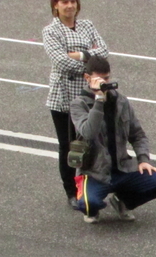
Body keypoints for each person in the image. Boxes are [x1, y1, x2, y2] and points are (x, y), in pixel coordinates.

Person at [69, 55, 156, 223]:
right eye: (100, 79)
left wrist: (143, 159)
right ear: (87, 78)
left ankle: (122, 202)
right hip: (94, 173)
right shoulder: (78, 104)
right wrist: (99, 100)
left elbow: (138, 134)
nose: (105, 82)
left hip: (122, 169)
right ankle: (92, 209)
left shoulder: (121, 101)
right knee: (87, 203)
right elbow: (88, 132)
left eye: (107, 78)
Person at [42, 0, 108, 208]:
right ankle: (71, 190)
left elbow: (104, 52)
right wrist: (90, 62)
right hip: (64, 97)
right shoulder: (51, 31)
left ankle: (94, 185)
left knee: (95, 142)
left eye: (72, 2)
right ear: (56, 6)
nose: (69, 6)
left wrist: (80, 55)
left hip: (89, 94)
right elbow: (61, 61)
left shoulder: (87, 25)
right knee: (70, 146)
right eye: (64, 2)